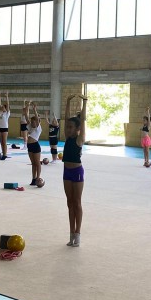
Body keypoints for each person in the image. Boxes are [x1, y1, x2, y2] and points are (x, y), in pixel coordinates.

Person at [63, 94, 88, 247]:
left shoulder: (79, 139)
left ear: (78, 129)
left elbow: (83, 120)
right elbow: (66, 119)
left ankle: (78, 233)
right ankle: (71, 233)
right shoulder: (67, 138)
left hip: (77, 172)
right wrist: (67, 101)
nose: (68, 129)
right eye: (68, 127)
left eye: (72, 127)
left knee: (77, 202)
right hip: (66, 172)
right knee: (69, 203)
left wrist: (84, 102)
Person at [26, 102, 43, 186]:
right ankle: (33, 178)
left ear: (37, 122)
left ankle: (38, 178)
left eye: (34, 122)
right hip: (30, 146)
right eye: (32, 122)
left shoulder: (38, 129)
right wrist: (27, 107)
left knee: (37, 163)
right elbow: (26, 116)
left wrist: (34, 109)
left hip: (36, 146)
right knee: (33, 163)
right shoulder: (30, 127)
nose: (32, 123)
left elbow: (36, 118)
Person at [0, 91, 10, 160]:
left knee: (4, 142)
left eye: (3, 107)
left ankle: (5, 154)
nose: (2, 107)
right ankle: (3, 152)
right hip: (0, 128)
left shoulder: (7, 113)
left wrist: (6, 96)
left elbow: (7, 104)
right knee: (1, 141)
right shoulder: (1, 112)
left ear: (6, 108)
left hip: (5, 128)